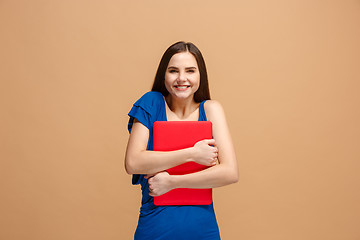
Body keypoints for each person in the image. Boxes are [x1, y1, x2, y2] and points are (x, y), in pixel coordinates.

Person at [125, 41, 238, 240]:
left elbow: (230, 172)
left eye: (190, 71)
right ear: (164, 75)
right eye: (173, 70)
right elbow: (133, 162)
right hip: (155, 227)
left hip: (203, 229)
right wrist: (192, 154)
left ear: (200, 75)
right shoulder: (152, 103)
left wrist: (172, 182)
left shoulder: (211, 109)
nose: (182, 78)